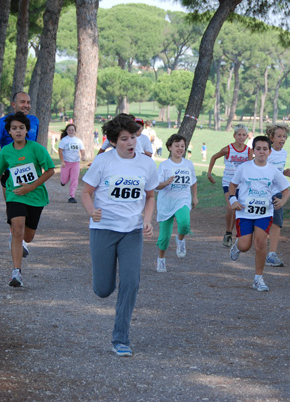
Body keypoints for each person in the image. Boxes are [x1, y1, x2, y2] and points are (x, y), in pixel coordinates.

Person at [81, 116, 158, 357]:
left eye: (133, 137)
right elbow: (86, 192)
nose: (130, 142)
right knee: (103, 289)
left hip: (132, 232)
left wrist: (147, 219)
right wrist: (92, 211)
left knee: (131, 282)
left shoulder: (146, 164)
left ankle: (121, 337)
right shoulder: (104, 161)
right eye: (124, 138)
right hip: (103, 229)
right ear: (114, 142)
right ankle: (104, 282)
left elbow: (151, 195)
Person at [0, 112, 55, 287]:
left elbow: (50, 170)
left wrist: (31, 187)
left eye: (21, 128)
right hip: (14, 194)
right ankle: (16, 272)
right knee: (17, 229)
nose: (18, 131)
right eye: (14, 128)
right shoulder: (6, 151)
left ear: (27, 131)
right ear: (9, 132)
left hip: (35, 196)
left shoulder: (36, 148)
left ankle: (21, 242)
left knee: (28, 236)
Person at [229, 135, 290, 292]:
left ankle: (258, 278)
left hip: (265, 213)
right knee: (245, 246)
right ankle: (237, 246)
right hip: (244, 213)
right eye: (258, 149)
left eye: (265, 149)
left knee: (261, 243)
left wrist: (282, 201)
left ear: (270, 152)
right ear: (253, 151)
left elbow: (286, 190)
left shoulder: (273, 170)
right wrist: (233, 200)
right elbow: (232, 186)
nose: (262, 152)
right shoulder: (244, 167)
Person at [155, 134, 198, 272]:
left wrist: (195, 197)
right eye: (177, 145)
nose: (180, 148)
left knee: (185, 224)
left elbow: (193, 181)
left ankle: (180, 240)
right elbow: (156, 186)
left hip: (183, 199)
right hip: (166, 202)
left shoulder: (188, 164)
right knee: (164, 238)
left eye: (182, 146)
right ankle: (161, 259)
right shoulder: (164, 166)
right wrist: (165, 182)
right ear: (169, 147)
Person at [0, 92, 39, 199]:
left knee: (31, 208)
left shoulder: (34, 121)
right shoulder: (2, 123)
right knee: (14, 208)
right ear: (14, 104)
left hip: (31, 170)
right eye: (22, 102)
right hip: (10, 171)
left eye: (28, 103)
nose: (26, 105)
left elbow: (35, 145)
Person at [207, 124, 253, 247]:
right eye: (239, 134)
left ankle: (236, 234)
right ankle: (228, 233)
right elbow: (213, 157)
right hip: (228, 182)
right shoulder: (228, 149)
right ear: (234, 135)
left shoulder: (249, 151)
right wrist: (209, 173)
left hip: (242, 185)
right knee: (231, 207)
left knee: (238, 209)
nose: (241, 137)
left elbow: (250, 167)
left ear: (247, 137)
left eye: (244, 135)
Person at [265, 123, 290, 267]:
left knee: (277, 223)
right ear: (271, 138)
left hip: (276, 192)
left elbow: (276, 172)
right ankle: (242, 241)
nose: (282, 139)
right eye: (279, 136)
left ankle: (271, 254)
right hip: (263, 192)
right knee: (259, 222)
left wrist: (284, 173)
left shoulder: (284, 153)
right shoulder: (266, 152)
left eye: (284, 136)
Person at [58, 124, 86, 204]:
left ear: (75, 131)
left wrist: (83, 156)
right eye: (69, 130)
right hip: (66, 163)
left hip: (75, 163)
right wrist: (62, 161)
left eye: (72, 130)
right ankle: (63, 182)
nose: (71, 131)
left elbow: (82, 150)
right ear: (66, 131)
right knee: (64, 180)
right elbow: (60, 151)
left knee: (74, 180)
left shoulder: (78, 141)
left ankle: (71, 196)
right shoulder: (64, 140)